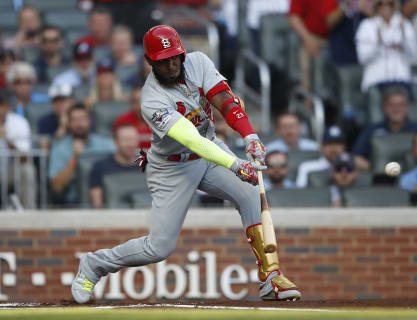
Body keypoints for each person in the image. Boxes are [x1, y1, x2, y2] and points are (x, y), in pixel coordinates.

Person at [71, 25, 301, 304]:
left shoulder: (199, 62)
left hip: (210, 149)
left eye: (175, 57)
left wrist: (249, 135)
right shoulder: (151, 99)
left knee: (250, 194)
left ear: (182, 52)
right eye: (163, 60)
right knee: (158, 248)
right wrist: (236, 164)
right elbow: (191, 141)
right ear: (150, 62)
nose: (171, 65)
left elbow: (225, 101)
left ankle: (269, 278)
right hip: (172, 167)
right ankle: (94, 264)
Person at [48, 103, 115, 206]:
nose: (79, 124)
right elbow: (57, 187)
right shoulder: (59, 149)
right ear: (68, 124)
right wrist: (75, 158)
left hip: (107, 198)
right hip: (73, 201)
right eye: (74, 120)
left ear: (90, 121)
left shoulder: (106, 144)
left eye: (83, 119)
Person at [352, 86, 417, 170]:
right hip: (381, 179)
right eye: (391, 105)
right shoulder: (372, 131)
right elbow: (355, 158)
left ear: (406, 107)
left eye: (400, 105)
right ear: (384, 108)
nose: (396, 109)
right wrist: (373, 168)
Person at [355, 0, 417, 92]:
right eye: (381, 3)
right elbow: (362, 58)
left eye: (390, 3)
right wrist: (378, 44)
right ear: (376, 6)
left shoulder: (405, 24)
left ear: (395, 5)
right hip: (376, 80)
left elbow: (414, 56)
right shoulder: (367, 25)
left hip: (401, 79)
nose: (385, 6)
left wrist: (404, 38)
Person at [0, 89, 36, 209]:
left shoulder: (19, 122)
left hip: (11, 171)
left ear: (8, 107)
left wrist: (6, 139)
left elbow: (24, 158)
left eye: (2, 105)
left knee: (27, 170)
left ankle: (29, 214)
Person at [89, 124, 139, 208]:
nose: (130, 144)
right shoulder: (100, 167)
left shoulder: (147, 166)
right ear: (115, 142)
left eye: (133, 139)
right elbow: (97, 206)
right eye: (126, 140)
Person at [37, 83, 76, 151]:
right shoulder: (45, 121)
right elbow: (45, 150)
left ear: (72, 101)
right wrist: (62, 127)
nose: (59, 104)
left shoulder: (80, 117)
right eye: (55, 101)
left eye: (63, 100)